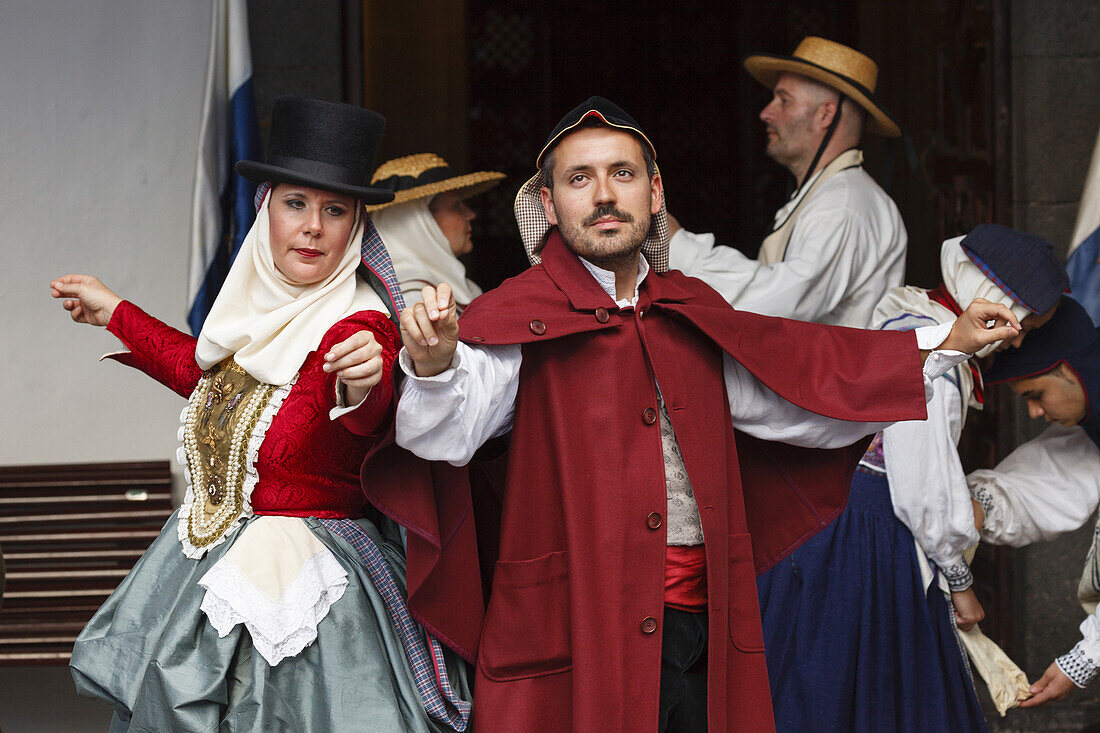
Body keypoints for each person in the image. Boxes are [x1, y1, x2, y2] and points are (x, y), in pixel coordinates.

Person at [392, 96, 1019, 732]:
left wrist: (941, 341)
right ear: (550, 204)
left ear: (655, 192)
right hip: (576, 628)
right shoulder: (514, 314)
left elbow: (798, 381)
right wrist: (436, 365)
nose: (604, 194)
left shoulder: (692, 307)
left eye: (623, 173)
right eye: (580, 178)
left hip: (702, 627)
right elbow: (449, 430)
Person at [52, 96, 470, 732]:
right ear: (264, 209)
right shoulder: (252, 317)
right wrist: (115, 311)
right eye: (295, 204)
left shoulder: (359, 323)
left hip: (312, 597)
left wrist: (372, 380)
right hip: (209, 566)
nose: (313, 228)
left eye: (336, 211)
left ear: (356, 227)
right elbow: (210, 379)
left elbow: (369, 408)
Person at [756, 224, 1067, 731]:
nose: (1016, 342)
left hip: (831, 521)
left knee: (820, 686)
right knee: (870, 696)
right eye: (1024, 327)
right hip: (866, 537)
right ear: (995, 301)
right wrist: (960, 581)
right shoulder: (938, 359)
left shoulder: (912, 320)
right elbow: (924, 489)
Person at [669, 37, 906, 328]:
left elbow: (777, 302)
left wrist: (678, 245)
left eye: (784, 100)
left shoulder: (842, 207)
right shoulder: (828, 194)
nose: (766, 112)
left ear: (825, 115)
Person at [969, 295, 1100, 707]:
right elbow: (1047, 481)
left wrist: (1085, 658)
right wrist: (974, 507)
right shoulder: (1090, 424)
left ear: (1070, 370)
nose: (1034, 412)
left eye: (1036, 394)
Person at [368, 153, 504, 311]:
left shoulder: (452, 287)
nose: (471, 214)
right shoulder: (413, 301)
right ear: (419, 222)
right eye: (456, 205)